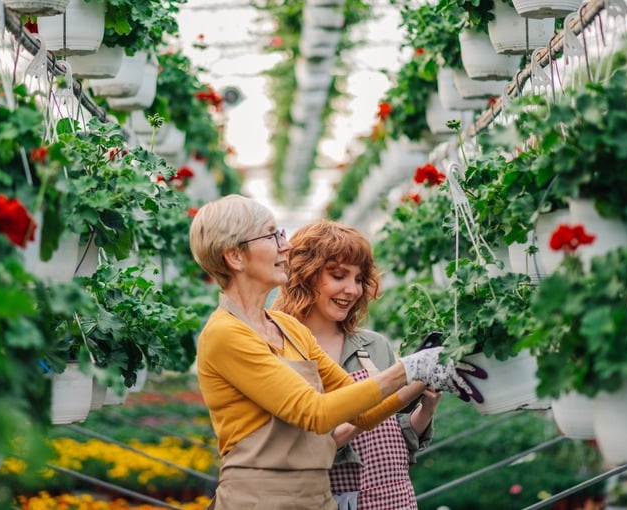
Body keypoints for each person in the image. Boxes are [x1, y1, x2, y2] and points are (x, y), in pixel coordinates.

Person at [188, 194, 485, 510]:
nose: (284, 246)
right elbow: (315, 413)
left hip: (314, 499)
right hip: (259, 500)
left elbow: (365, 414)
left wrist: (425, 375)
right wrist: (408, 369)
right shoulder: (225, 333)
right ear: (235, 257)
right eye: (272, 235)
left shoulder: (288, 327)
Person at [272, 220, 444, 510]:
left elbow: (399, 435)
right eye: (339, 276)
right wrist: (362, 410)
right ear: (305, 275)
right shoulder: (281, 350)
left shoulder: (374, 345)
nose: (352, 290)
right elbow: (300, 448)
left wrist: (426, 404)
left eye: (359, 279)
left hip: (390, 498)